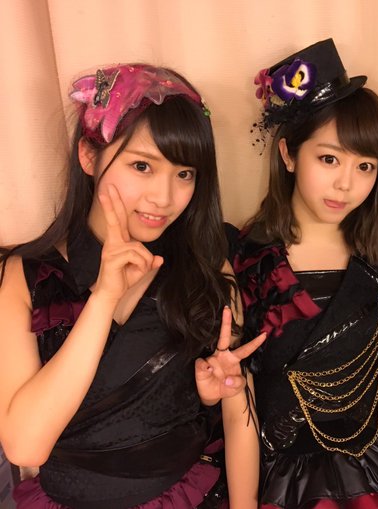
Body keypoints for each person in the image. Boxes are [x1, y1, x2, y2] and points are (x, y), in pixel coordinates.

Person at [0, 63, 264, 508]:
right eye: (142, 166)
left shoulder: (205, 265)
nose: (164, 198)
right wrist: (103, 299)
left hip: (189, 494)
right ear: (89, 156)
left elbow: (240, 410)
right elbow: (25, 447)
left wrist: (225, 390)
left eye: (184, 174)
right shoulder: (25, 275)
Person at [234, 39, 378, 508]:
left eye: (365, 166)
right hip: (280, 476)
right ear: (288, 155)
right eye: (329, 159)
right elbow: (235, 391)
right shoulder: (245, 256)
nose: (346, 183)